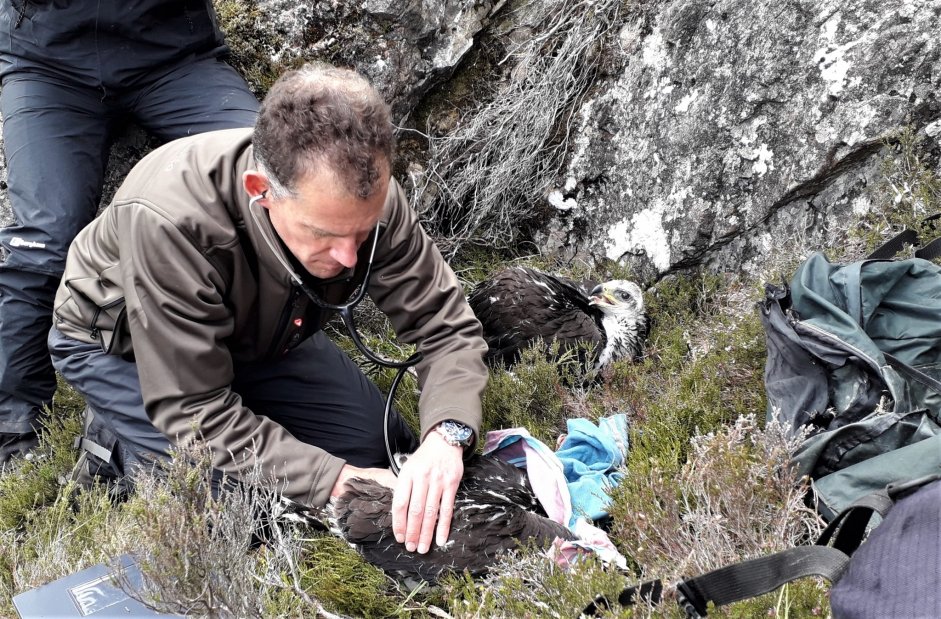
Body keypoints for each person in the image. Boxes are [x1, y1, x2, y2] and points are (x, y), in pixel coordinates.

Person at [49, 62, 490, 555]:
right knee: (248, 516)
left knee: (383, 449)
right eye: (324, 235)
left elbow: (445, 325)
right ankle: (115, 437)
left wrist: (447, 436)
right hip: (123, 346)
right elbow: (195, 409)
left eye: (362, 234)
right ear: (261, 193)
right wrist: (335, 481)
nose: (349, 257)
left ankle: (227, 408)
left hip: (259, 336)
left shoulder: (366, 194)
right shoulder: (170, 221)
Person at [0, 0, 260, 464]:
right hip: (46, 62)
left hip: (175, 56)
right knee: (44, 241)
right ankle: (14, 428)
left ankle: (258, 378)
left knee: (263, 179)